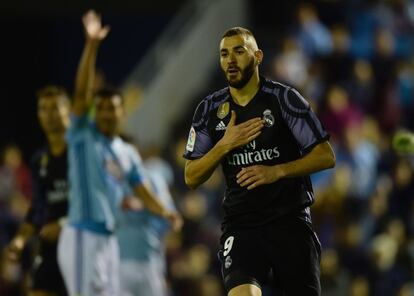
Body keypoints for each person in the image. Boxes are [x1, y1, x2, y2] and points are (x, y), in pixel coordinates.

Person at [183, 27, 335, 296]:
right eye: (224, 54)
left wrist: (277, 171)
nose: (230, 59)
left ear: (258, 56)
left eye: (239, 51)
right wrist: (224, 145)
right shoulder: (209, 109)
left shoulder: (284, 99)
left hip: (290, 221)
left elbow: (325, 155)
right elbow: (191, 177)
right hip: (242, 225)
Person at [57, 10, 181, 296]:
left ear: (121, 112)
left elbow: (143, 190)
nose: (106, 112)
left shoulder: (126, 152)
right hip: (82, 235)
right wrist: (91, 46)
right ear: (93, 112)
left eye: (112, 107)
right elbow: (80, 95)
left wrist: (166, 212)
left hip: (110, 242)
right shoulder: (82, 135)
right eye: (100, 108)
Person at [6, 86, 70, 296]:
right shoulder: (38, 160)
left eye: (54, 108)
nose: (49, 115)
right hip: (51, 245)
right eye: (43, 109)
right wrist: (20, 239)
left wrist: (64, 225)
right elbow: (38, 208)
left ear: (68, 110)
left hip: (84, 240)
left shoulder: (81, 154)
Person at [116, 156, 177, 296]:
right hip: (131, 259)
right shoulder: (119, 183)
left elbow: (169, 222)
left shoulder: (154, 176)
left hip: (147, 259)